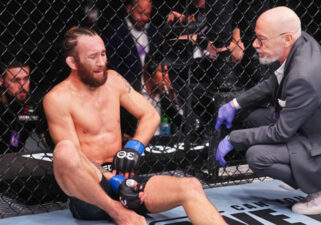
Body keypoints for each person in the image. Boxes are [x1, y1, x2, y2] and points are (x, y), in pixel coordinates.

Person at [43, 27, 226, 225]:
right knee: (64, 150)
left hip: (126, 179)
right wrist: (113, 180)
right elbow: (73, 158)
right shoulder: (57, 99)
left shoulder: (113, 80)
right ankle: (117, 212)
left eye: (103, 54)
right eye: (93, 57)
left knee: (191, 186)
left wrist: (133, 148)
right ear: (72, 62)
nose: (101, 62)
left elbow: (150, 114)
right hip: (92, 190)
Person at [214, 6, 321, 215]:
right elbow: (273, 82)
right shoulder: (301, 42)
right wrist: (235, 104)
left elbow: (280, 132)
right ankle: (305, 173)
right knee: (256, 118)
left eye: (261, 39)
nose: (254, 44)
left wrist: (233, 139)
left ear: (286, 39)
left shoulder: (303, 75)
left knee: (257, 156)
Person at [103, 0, 176, 136]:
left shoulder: (154, 31)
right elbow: (114, 66)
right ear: (129, 8)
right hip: (129, 88)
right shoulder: (116, 32)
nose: (144, 18)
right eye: (140, 13)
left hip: (154, 85)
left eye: (147, 14)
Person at [0, 60, 47, 154]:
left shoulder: (35, 101)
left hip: (14, 157)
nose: (22, 85)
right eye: (15, 80)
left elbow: (45, 138)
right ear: (1, 81)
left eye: (26, 78)